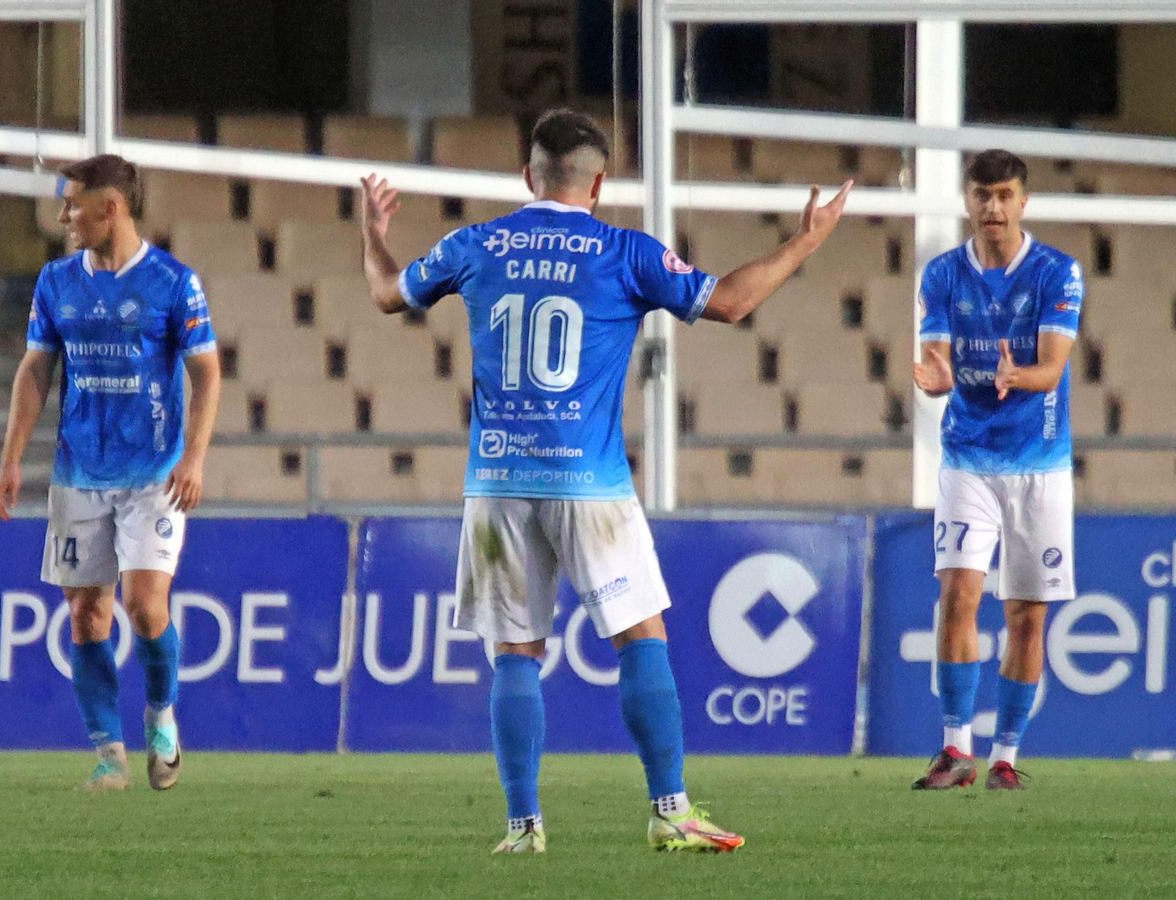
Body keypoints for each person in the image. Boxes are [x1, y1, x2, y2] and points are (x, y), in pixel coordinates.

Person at [358, 108, 851, 853]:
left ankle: (524, 827)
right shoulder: (623, 250)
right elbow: (730, 301)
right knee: (640, 636)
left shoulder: (478, 244)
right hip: (588, 481)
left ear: (528, 177)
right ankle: (670, 810)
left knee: (515, 653)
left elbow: (387, 293)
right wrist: (808, 238)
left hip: (496, 480)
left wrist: (372, 230)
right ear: (600, 182)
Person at [0, 154, 221, 792]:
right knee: (86, 614)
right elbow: (36, 371)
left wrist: (195, 458)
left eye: (71, 204)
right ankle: (108, 755)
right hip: (78, 472)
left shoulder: (175, 283)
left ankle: (162, 715)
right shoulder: (57, 281)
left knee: (145, 609)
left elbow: (206, 372)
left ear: (109, 207)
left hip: (154, 473)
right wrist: (12, 460)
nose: (63, 215)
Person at [910, 149, 1083, 791]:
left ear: (1024, 201)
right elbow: (937, 359)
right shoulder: (941, 275)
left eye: (1005, 195)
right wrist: (936, 378)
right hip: (967, 459)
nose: (993, 208)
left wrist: (1022, 376)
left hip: (1039, 463)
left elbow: (1052, 369)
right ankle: (956, 749)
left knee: (1026, 616)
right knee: (959, 592)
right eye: (983, 195)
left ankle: (1005, 754)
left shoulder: (1057, 273)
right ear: (967, 200)